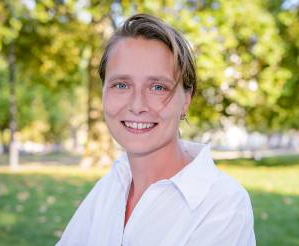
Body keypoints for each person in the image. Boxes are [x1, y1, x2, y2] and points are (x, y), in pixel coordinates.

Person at [57, 14, 255, 246]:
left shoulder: (223, 204)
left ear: (186, 100)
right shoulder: (113, 182)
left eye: (158, 87)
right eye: (121, 85)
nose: (137, 105)